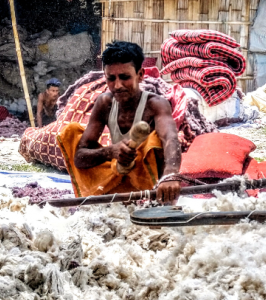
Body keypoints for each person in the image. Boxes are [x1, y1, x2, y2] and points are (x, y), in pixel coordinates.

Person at [58, 41, 181, 203]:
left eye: (125, 77)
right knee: (71, 132)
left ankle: (161, 201)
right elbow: (80, 158)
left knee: (154, 140)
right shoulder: (104, 103)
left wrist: (171, 175)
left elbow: (171, 138)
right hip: (117, 177)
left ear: (141, 74)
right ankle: (105, 196)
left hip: (150, 186)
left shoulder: (155, 104)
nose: (117, 85)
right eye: (111, 78)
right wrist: (110, 152)